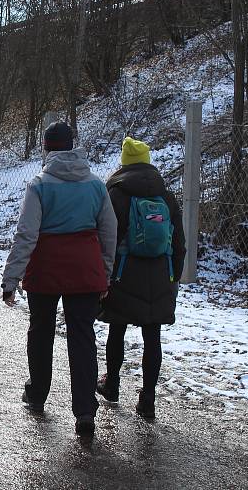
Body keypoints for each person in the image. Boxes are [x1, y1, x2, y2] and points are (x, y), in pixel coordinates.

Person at [1, 121, 117, 436]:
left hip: (46, 270)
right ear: (72, 146)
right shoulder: (95, 185)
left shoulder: (39, 184)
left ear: (46, 148)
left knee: (40, 331)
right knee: (82, 337)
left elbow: (26, 234)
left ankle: (37, 393)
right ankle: (84, 412)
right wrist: (104, 273)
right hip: (84, 270)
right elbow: (109, 232)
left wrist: (11, 278)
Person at [97, 137, 186, 420]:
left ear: (124, 163)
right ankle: (148, 398)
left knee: (117, 330)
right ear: (147, 162)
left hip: (124, 274)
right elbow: (179, 244)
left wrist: (104, 274)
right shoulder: (167, 196)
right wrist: (174, 278)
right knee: (153, 336)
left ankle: (111, 384)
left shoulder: (115, 195)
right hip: (160, 274)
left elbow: (106, 238)